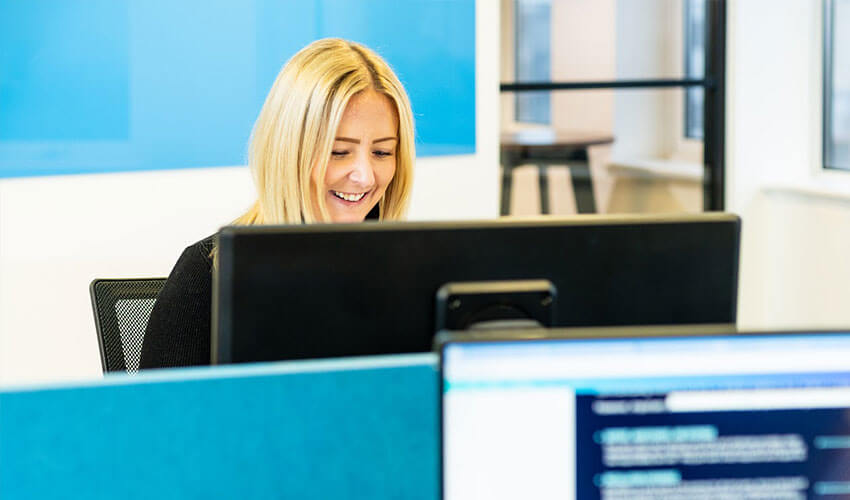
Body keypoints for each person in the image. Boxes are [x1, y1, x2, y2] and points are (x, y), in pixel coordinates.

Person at [139, 38, 415, 369]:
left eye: (382, 152)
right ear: (290, 151)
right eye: (338, 151)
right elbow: (163, 419)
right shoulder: (207, 276)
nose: (365, 177)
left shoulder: (405, 273)